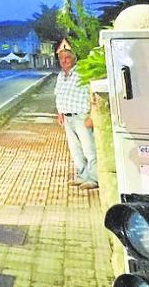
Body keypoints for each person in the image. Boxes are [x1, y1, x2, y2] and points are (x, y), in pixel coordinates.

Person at [54, 43, 98, 190]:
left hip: (81, 117)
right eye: (61, 59)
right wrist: (60, 113)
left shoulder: (81, 73)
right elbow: (58, 95)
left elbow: (92, 96)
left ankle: (94, 178)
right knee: (75, 150)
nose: (64, 61)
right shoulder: (61, 76)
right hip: (67, 118)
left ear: (74, 59)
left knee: (89, 149)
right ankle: (82, 175)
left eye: (67, 58)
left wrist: (92, 116)